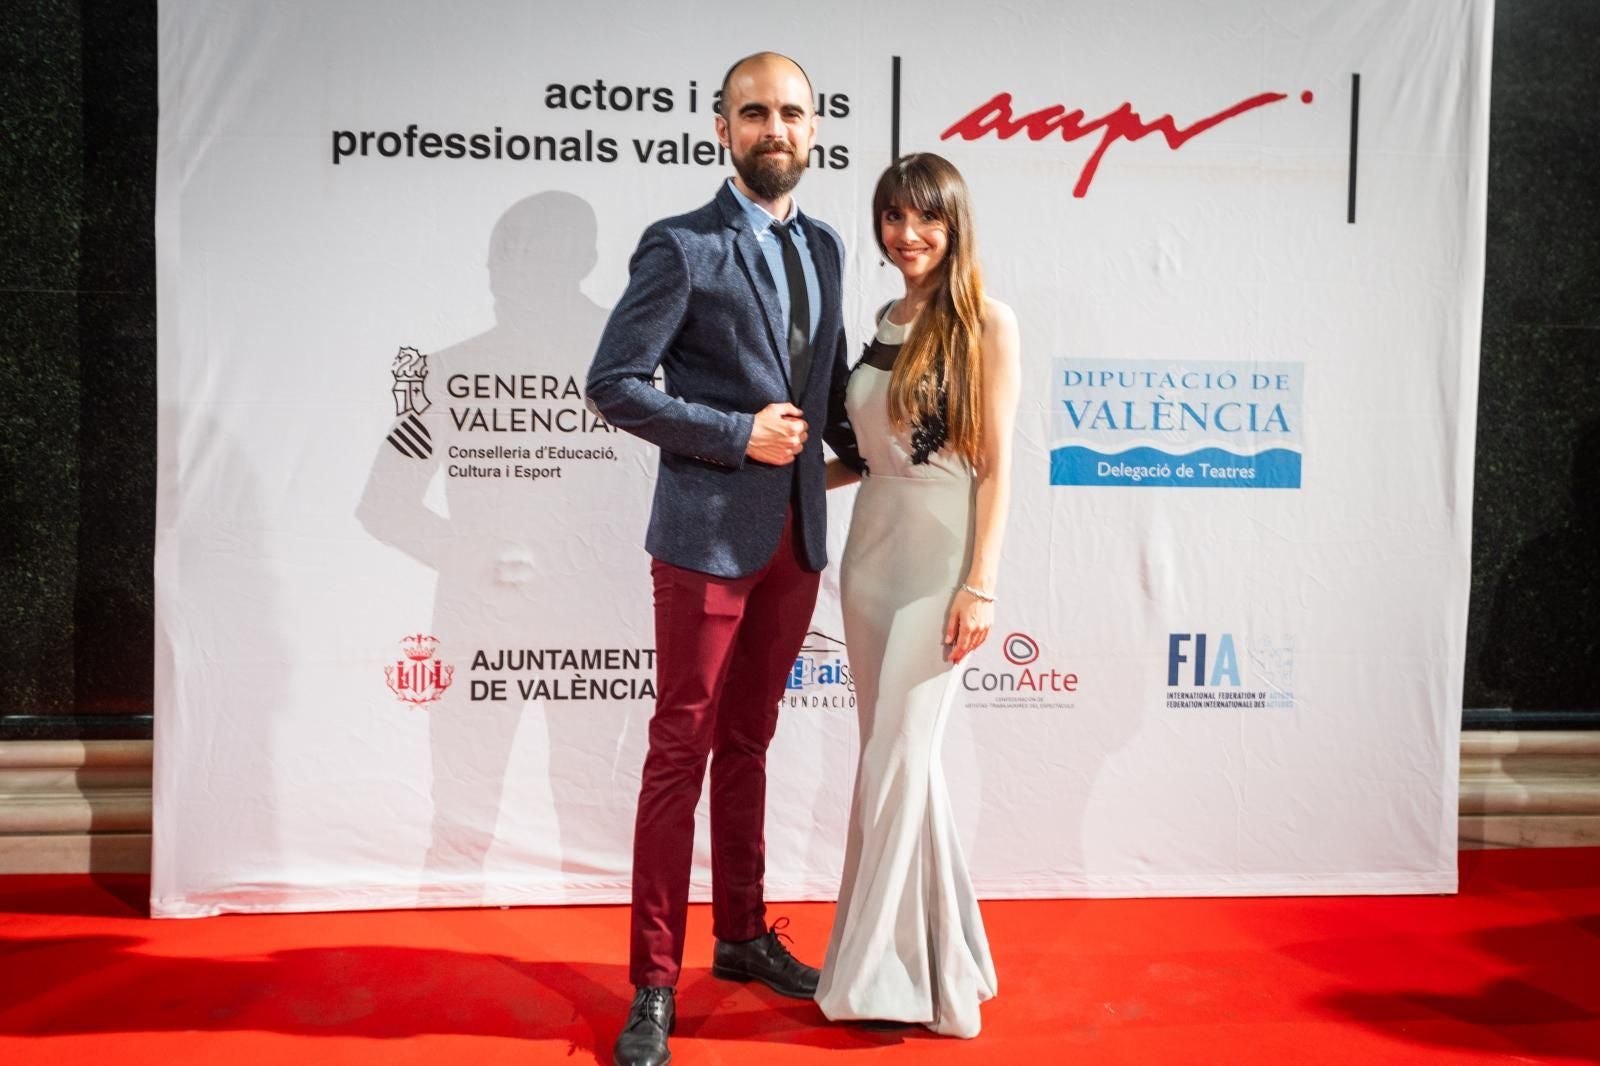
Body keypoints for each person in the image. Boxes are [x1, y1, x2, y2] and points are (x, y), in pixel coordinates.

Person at [585, 51, 864, 1066]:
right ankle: (653, 982)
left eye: (790, 113)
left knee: (749, 745)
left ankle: (741, 936)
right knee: (680, 753)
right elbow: (614, 383)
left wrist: (899, 443)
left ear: (815, 129)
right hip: (704, 537)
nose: (774, 129)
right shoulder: (683, 245)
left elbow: (828, 392)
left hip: (794, 541)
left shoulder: (828, 247)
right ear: (720, 129)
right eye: (754, 113)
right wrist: (735, 432)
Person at [815, 152, 1020, 1038]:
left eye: (924, 218)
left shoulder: (987, 322)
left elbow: (997, 467)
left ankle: (883, 978)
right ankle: (947, 961)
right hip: (868, 558)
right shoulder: (884, 320)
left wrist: (982, 583)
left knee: (902, 755)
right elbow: (866, 460)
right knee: (892, 761)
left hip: (942, 564)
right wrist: (769, 481)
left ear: (954, 221)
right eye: (893, 219)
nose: (908, 235)